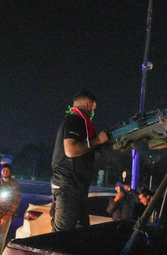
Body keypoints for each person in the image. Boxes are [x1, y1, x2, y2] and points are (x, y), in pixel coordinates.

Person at [50, 90, 109, 231]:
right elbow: (71, 150)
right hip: (69, 187)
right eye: (94, 108)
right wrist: (98, 140)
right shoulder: (75, 120)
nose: (94, 112)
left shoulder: (75, 121)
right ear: (88, 105)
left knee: (81, 233)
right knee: (60, 238)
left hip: (75, 187)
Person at [0, 164, 20, 255]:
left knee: (1, 240)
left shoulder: (14, 184)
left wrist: (7, 215)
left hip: (7, 215)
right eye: (3, 170)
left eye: (7, 170)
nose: (5, 172)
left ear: (10, 172)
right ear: (1, 171)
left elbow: (16, 201)